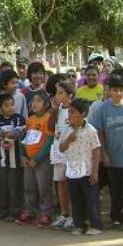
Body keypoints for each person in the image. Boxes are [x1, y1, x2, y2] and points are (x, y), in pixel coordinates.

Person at [93, 73, 123, 231]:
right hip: (111, 156)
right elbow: (100, 133)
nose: (118, 93)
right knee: (114, 188)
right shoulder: (103, 108)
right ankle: (115, 216)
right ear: (109, 91)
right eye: (115, 90)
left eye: (121, 90)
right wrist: (104, 154)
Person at [59, 98, 103, 236]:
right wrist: (69, 139)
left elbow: (96, 151)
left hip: (87, 170)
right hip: (73, 171)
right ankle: (79, 225)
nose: (69, 115)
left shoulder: (90, 130)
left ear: (82, 114)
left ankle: (95, 224)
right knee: (76, 199)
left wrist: (95, 171)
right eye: (69, 112)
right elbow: (61, 148)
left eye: (73, 112)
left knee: (91, 199)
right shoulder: (66, 130)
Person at [18, 92, 55, 227]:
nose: (34, 104)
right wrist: (22, 155)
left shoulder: (48, 119)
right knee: (29, 186)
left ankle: (46, 213)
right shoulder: (30, 119)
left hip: (42, 160)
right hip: (28, 159)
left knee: (43, 186)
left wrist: (38, 158)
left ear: (46, 104)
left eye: (38, 101)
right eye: (33, 101)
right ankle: (29, 210)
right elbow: (24, 139)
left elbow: (49, 141)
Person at [0, 93, 26, 222]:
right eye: (7, 105)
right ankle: (3, 210)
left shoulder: (18, 118)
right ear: (0, 108)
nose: (11, 108)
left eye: (12, 104)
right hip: (0, 161)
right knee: (1, 187)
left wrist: (12, 134)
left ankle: (15, 211)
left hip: (15, 161)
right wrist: (1, 135)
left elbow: (20, 130)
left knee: (14, 187)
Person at [49, 81, 75, 230]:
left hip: (71, 152)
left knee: (71, 183)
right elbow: (51, 126)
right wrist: (54, 111)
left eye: (60, 93)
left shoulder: (74, 110)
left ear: (69, 95)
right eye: (56, 92)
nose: (57, 96)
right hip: (58, 151)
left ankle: (73, 214)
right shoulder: (57, 109)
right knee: (60, 182)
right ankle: (64, 213)